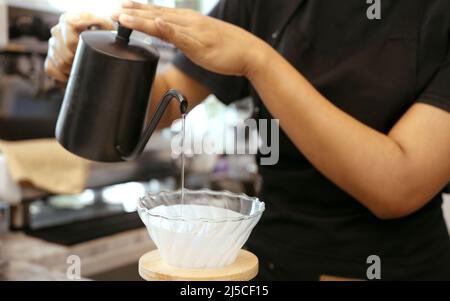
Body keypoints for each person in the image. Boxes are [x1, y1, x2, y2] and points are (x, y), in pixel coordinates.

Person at [45, 0, 450, 280]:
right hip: (268, 260)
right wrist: (92, 67)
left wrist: (258, 61)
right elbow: (169, 101)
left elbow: (399, 184)